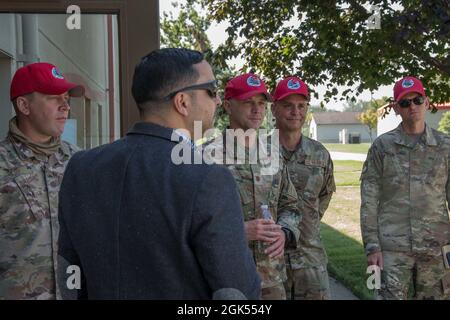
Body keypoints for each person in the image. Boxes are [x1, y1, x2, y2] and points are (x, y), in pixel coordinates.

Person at [56, 48, 261, 299]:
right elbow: (236, 292)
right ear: (183, 102)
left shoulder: (80, 167)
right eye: (211, 91)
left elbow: (69, 273)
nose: (217, 101)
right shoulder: (208, 179)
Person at [208, 73, 301, 299]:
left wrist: (285, 233)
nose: (257, 109)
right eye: (248, 102)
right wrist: (239, 231)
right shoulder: (205, 157)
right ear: (228, 106)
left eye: (261, 103)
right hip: (227, 279)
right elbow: (190, 222)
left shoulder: (273, 154)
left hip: (271, 278)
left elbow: (291, 205)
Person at [360, 76, 450, 300]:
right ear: (396, 108)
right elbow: (369, 200)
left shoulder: (445, 146)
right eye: (405, 103)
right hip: (391, 250)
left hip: (436, 249)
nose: (412, 107)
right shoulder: (382, 147)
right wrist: (372, 247)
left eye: (417, 100)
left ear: (427, 102)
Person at [0, 62, 84, 299]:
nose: (65, 106)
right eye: (53, 97)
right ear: (24, 105)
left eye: (66, 97)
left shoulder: (80, 161)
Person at [271, 76, 336, 300]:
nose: (295, 112)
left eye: (301, 106)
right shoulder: (257, 153)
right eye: (287, 106)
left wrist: (306, 223)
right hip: (269, 261)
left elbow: (324, 196)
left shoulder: (320, 154)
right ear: (274, 109)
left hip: (310, 259)